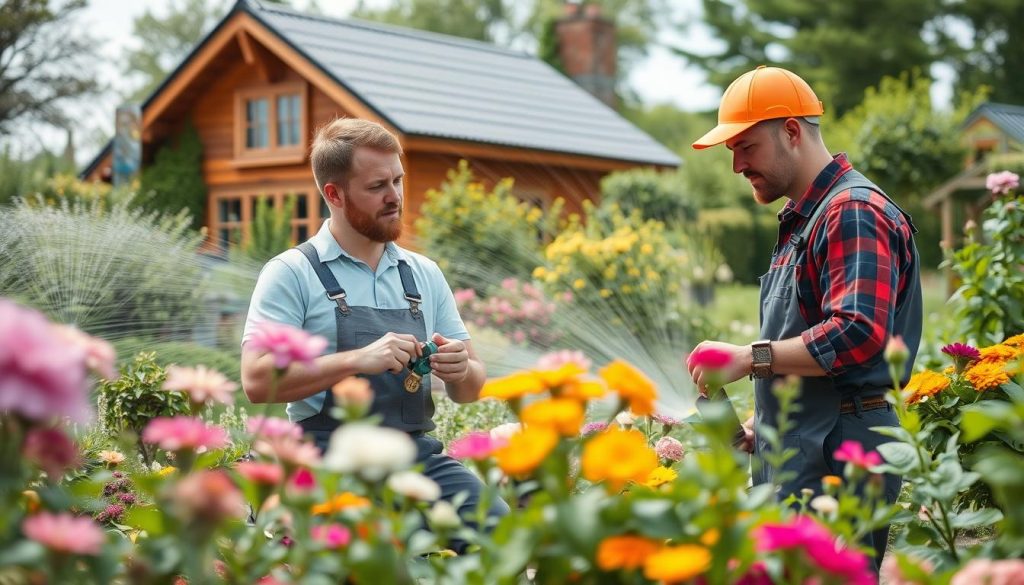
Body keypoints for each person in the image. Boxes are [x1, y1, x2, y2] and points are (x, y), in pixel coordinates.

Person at [685, 66, 922, 570]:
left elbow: (858, 333)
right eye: (731, 151)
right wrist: (761, 422)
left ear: (791, 131)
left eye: (745, 147)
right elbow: (807, 332)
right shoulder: (805, 220)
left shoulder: (851, 210)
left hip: (841, 451)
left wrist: (751, 359)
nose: (736, 166)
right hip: (805, 440)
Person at [240, 117, 510, 542]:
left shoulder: (423, 273)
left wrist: (461, 370)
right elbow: (256, 381)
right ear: (334, 194)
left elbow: (471, 388)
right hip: (323, 460)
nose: (395, 197)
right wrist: (357, 360)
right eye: (377, 186)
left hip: (415, 459)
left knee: (502, 537)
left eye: (398, 181)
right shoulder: (291, 273)